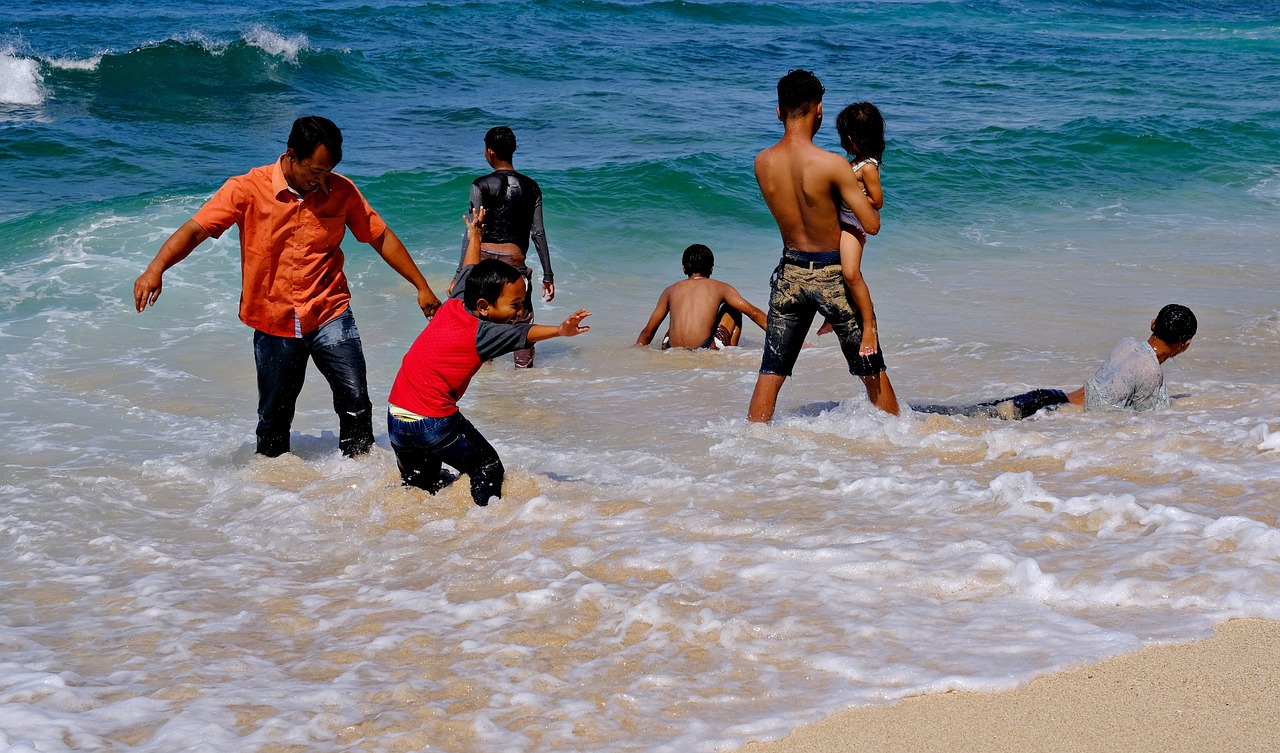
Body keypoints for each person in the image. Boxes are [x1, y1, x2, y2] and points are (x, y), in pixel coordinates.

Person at [133, 115, 441, 458]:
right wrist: (156, 268)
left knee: (356, 403)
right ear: (291, 155)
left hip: (329, 310)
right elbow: (196, 229)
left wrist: (420, 285)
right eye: (315, 172)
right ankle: (273, 490)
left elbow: (379, 236)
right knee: (274, 418)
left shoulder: (342, 191)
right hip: (273, 319)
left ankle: (359, 483)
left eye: (328, 171)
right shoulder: (247, 188)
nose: (322, 179)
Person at [388, 208, 590, 507]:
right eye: (515, 305)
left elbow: (470, 265)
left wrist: (475, 236)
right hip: (433, 422)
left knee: (424, 489)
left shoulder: (457, 298)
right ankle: (485, 528)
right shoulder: (483, 332)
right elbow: (526, 333)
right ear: (483, 306)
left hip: (396, 417)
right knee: (488, 467)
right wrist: (561, 330)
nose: (520, 312)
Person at [748, 70, 899, 422]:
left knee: (771, 372)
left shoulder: (762, 162)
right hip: (834, 275)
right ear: (819, 110)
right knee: (870, 369)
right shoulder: (833, 165)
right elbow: (872, 225)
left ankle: (752, 442)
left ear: (778, 111)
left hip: (789, 274)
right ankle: (902, 439)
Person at [912, 304, 1198, 419]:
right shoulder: (1151, 372)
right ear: (1185, 344)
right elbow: (1142, 418)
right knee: (967, 421)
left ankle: (905, 410)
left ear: (1152, 324)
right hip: (1052, 413)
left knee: (958, 414)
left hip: (1048, 396)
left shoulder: (1128, 344)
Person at [455, 126, 555, 369]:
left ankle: (486, 379)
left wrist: (460, 274)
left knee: (482, 318)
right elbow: (538, 232)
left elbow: (473, 232)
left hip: (483, 260)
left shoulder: (480, 185)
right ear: (513, 150)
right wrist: (548, 275)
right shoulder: (531, 187)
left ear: (490, 152)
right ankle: (523, 379)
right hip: (514, 262)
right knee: (521, 318)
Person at [815, 101, 887, 351]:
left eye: (844, 137)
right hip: (841, 223)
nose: (842, 142)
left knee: (851, 274)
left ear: (855, 138)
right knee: (834, 271)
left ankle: (869, 326)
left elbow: (877, 201)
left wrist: (854, 194)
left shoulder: (867, 167)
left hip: (854, 226)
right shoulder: (852, 163)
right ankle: (832, 317)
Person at [636, 244, 768, 350]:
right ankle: (728, 354)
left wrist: (636, 353)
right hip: (704, 349)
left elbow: (648, 332)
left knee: (677, 320)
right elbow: (753, 312)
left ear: (684, 268)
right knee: (733, 309)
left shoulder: (670, 290)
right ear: (711, 268)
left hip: (670, 348)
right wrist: (781, 336)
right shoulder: (721, 287)